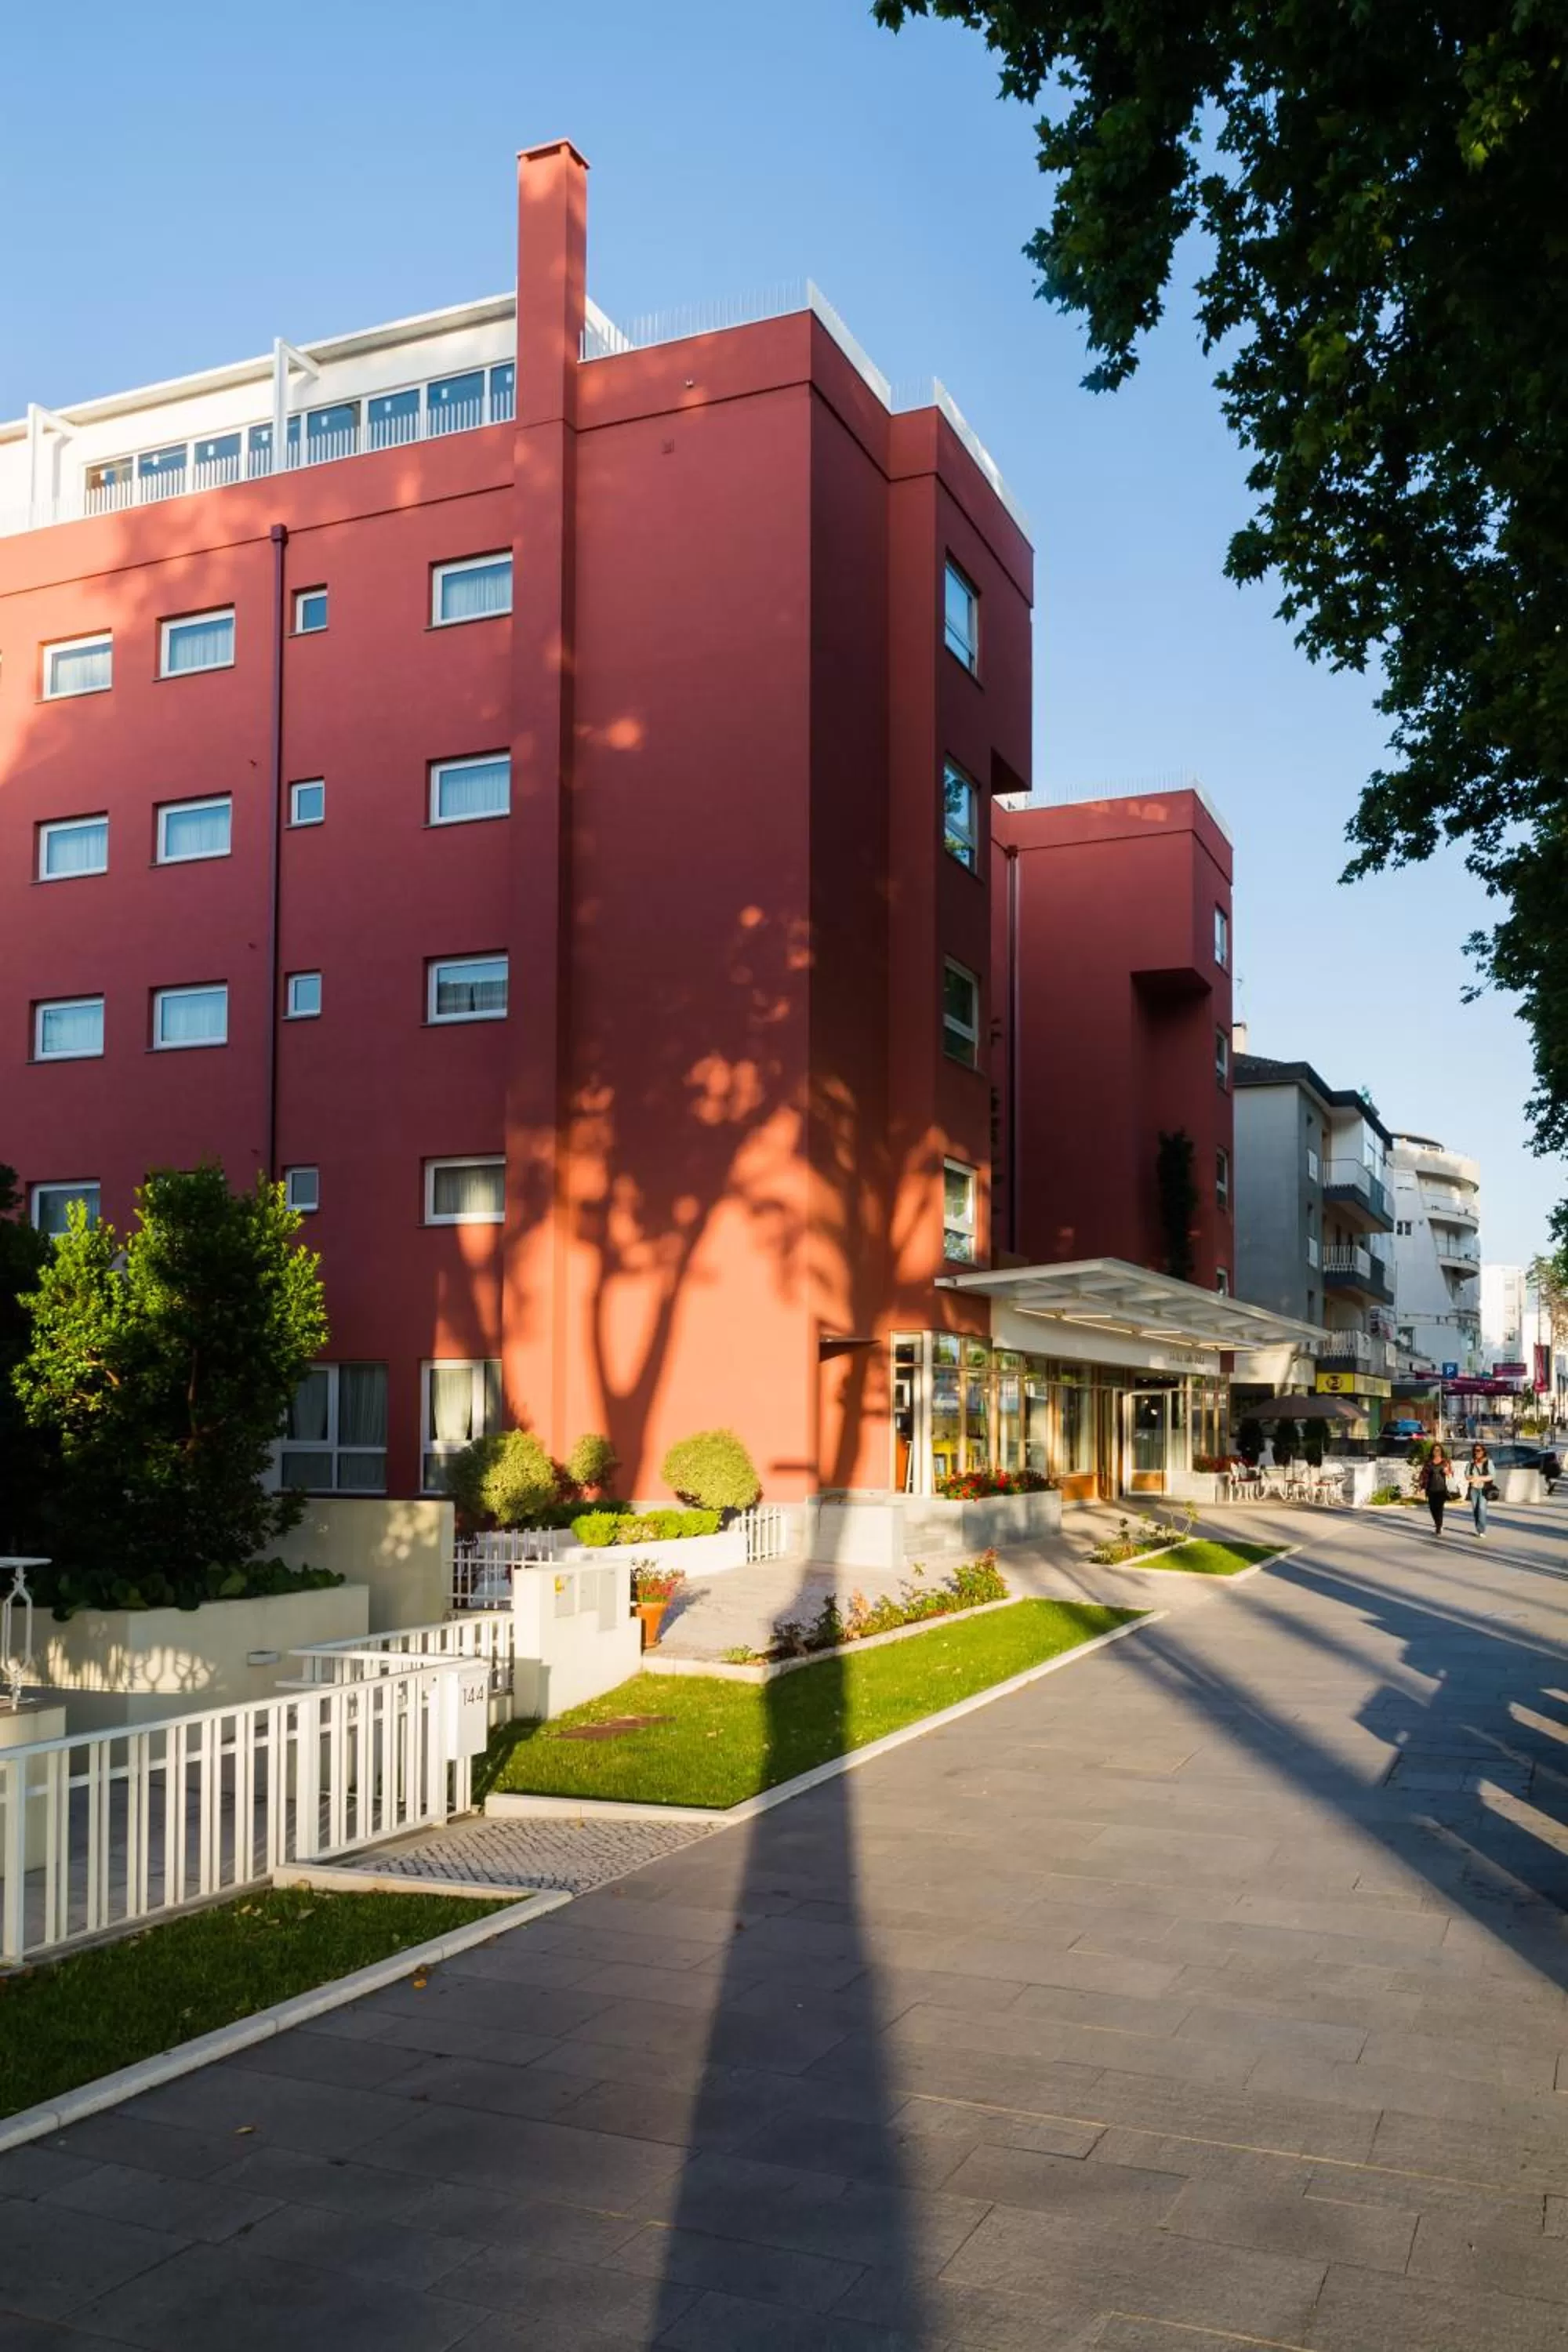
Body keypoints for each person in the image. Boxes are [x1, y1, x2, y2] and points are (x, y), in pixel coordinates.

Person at [1420, 1443, 1457, 1537]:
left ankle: (1438, 1527)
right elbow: (1424, 1475)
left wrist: (1447, 1472)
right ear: (1432, 1451)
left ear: (1441, 1451)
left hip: (1442, 1489)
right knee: (1432, 1508)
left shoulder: (1445, 1462)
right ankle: (1438, 1523)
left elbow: (1451, 1474)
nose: (1437, 1452)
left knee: (1440, 1508)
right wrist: (1422, 1487)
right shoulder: (1428, 1463)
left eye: (1438, 1450)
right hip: (1431, 1489)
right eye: (1435, 1450)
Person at [1465, 1441, 1496, 1537]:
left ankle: (1481, 1530)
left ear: (1483, 1451)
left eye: (1479, 1450)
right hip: (1474, 1489)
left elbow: (1493, 1475)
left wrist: (1479, 1478)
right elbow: (1466, 1474)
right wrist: (1470, 1478)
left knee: (1482, 1508)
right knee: (1475, 1509)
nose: (1477, 1453)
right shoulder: (1471, 1462)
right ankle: (1478, 1529)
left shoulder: (1488, 1462)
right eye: (1475, 1451)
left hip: (1484, 1489)